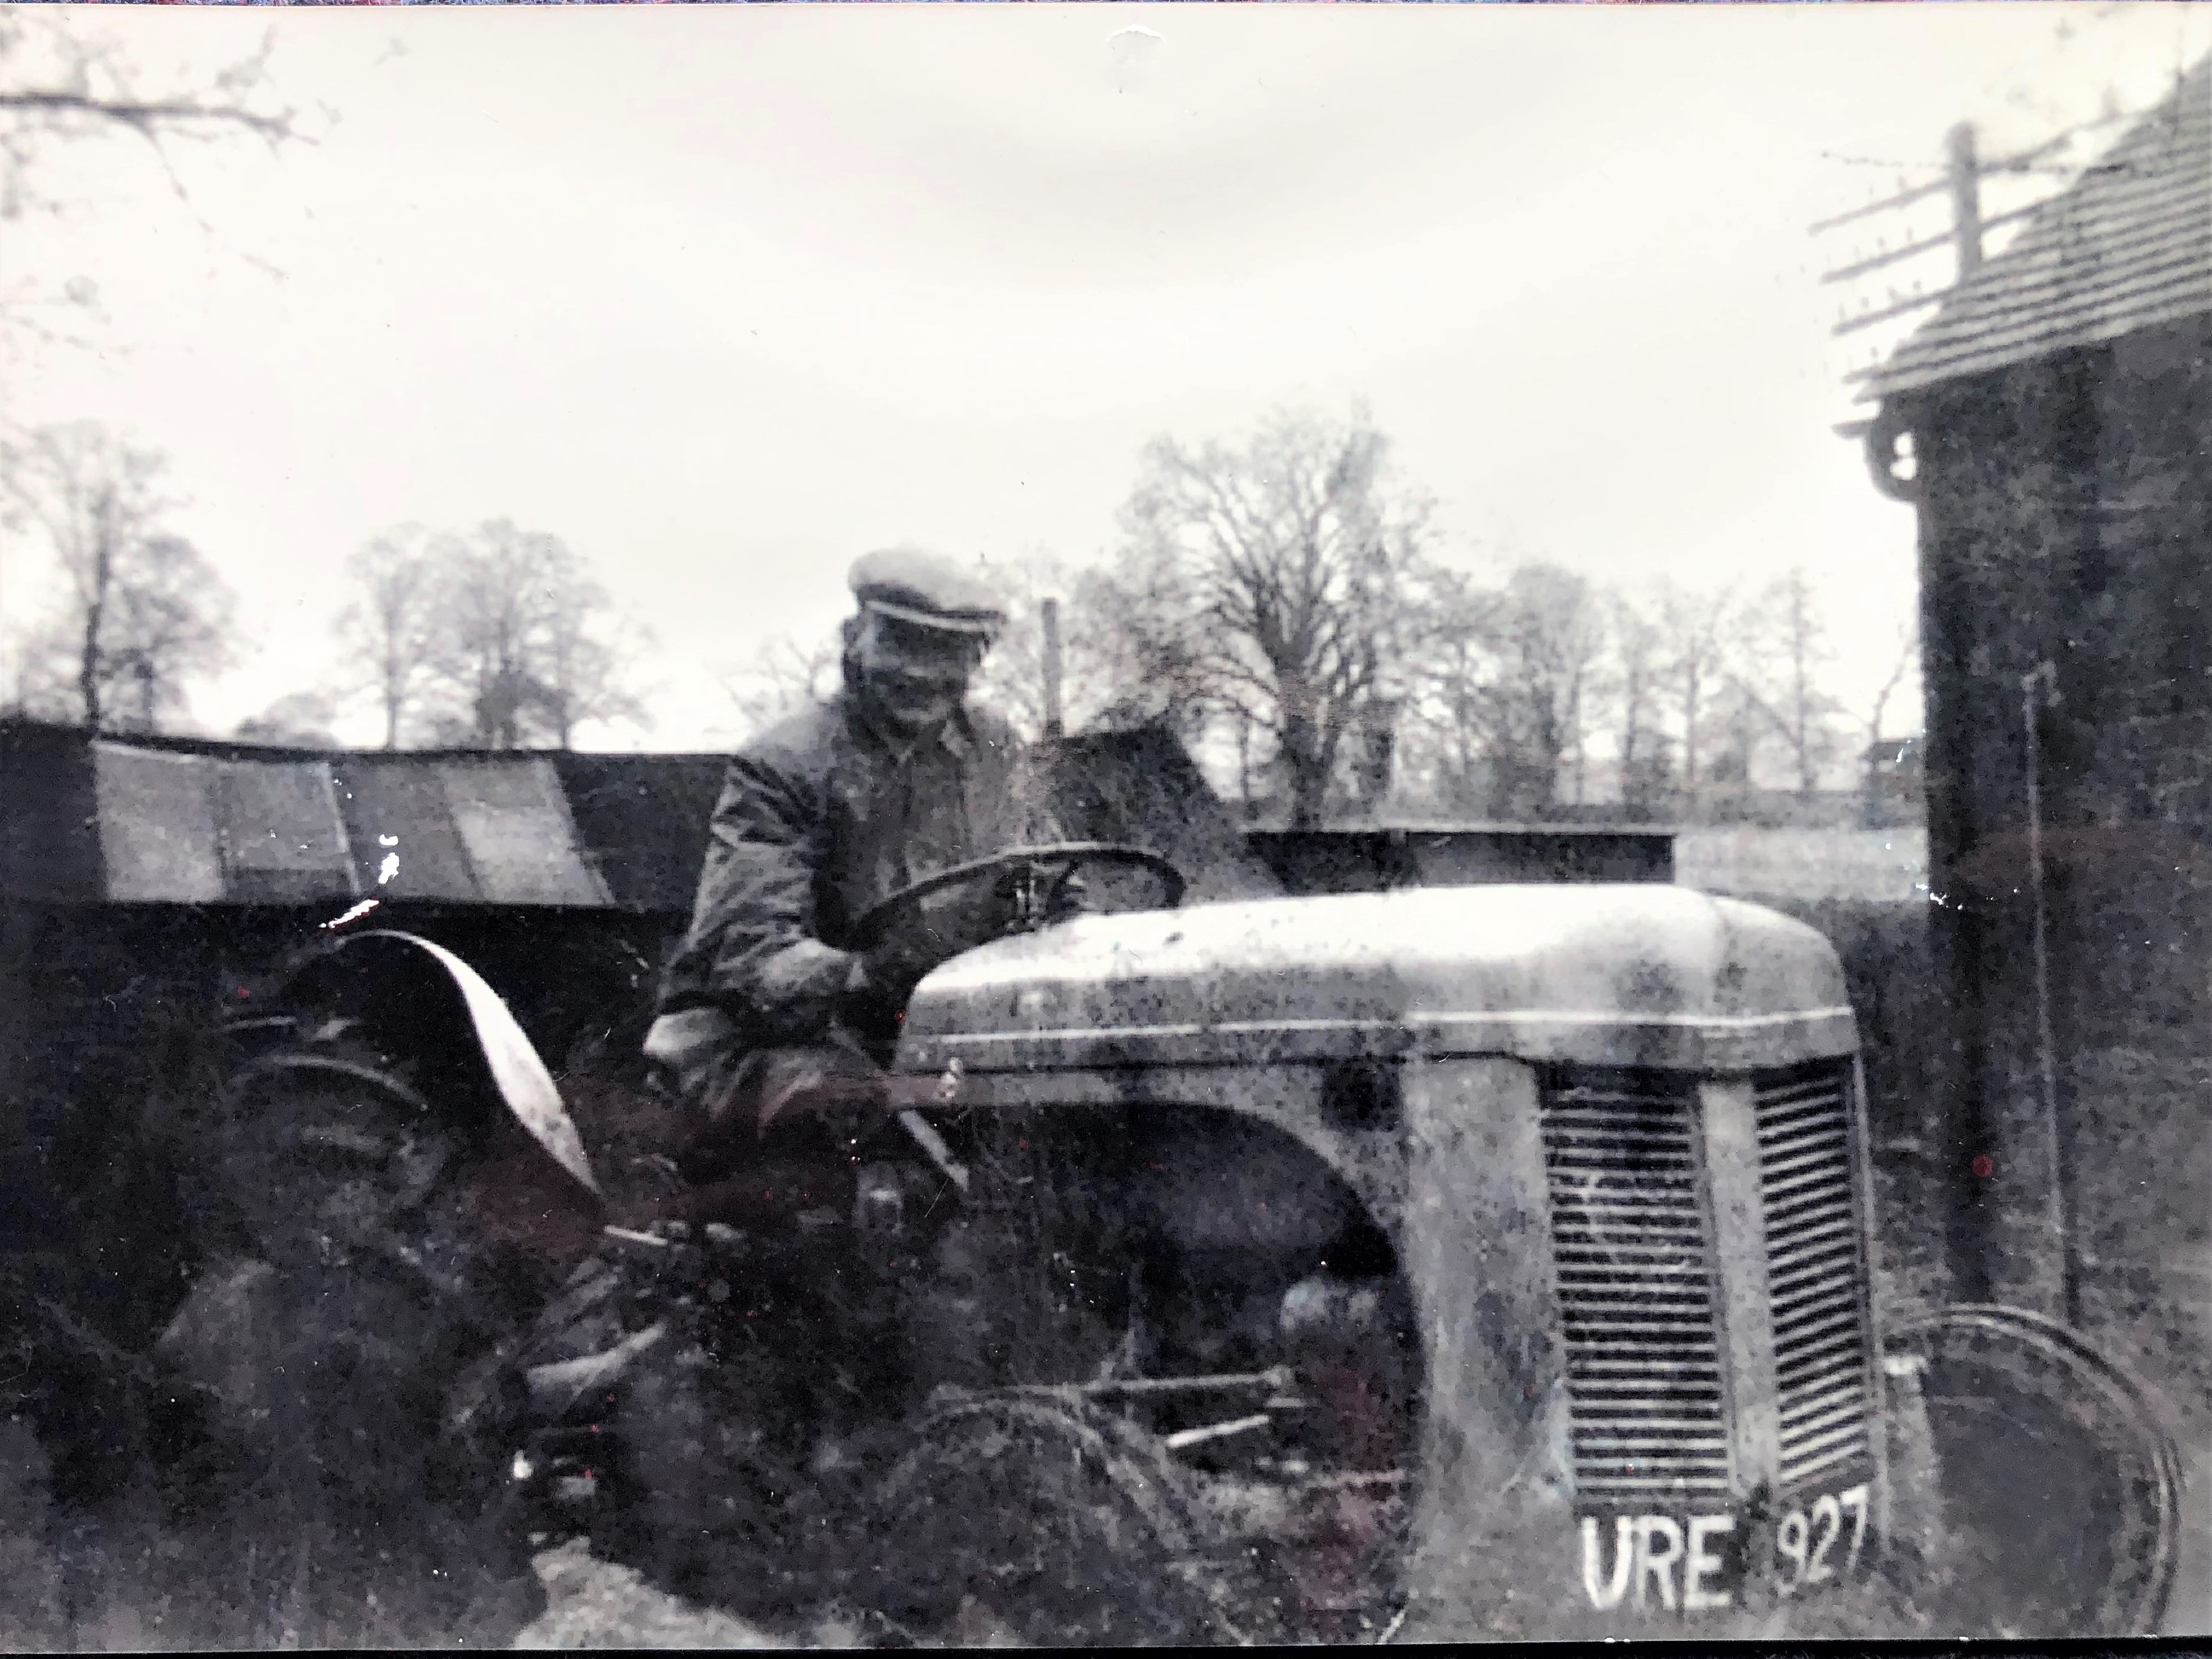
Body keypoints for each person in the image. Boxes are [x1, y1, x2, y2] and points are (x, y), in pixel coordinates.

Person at [643, 547, 1032, 1182]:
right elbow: (751, 958)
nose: (922, 673)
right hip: (765, 1039)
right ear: (854, 637)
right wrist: (873, 973)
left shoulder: (994, 749)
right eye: (901, 643)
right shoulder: (783, 764)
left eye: (952, 652)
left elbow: (1040, 873)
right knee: (864, 1128)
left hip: (931, 1030)